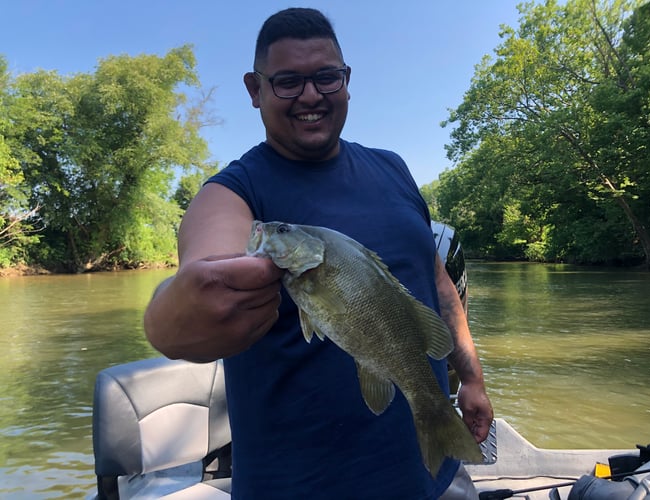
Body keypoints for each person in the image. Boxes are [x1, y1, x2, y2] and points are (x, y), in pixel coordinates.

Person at [144, 7, 493, 499]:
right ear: (254, 89)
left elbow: (437, 285)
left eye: (326, 77)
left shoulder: (393, 169)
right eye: (288, 81)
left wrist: (472, 380)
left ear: (346, 81)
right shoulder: (234, 193)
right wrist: (175, 311)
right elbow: (189, 300)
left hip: (433, 476)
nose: (311, 95)